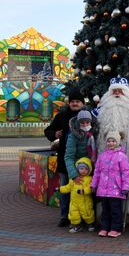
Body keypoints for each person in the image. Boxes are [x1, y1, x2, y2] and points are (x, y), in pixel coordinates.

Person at [44, 87, 85, 227]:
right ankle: (65, 216)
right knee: (65, 188)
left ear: (82, 103)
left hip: (83, 161)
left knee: (83, 188)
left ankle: (85, 216)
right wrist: (55, 134)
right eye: (72, 101)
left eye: (77, 101)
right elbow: (48, 130)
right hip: (64, 159)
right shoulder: (61, 115)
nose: (74, 103)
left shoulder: (86, 115)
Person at [93, 76, 129, 159]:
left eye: (120, 90)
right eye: (114, 90)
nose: (117, 93)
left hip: (126, 151)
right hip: (104, 150)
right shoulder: (101, 110)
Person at [91, 131, 129, 238]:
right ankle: (105, 227)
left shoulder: (121, 156)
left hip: (116, 189)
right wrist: (94, 184)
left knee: (115, 210)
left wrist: (125, 186)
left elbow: (126, 172)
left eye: (113, 141)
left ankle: (115, 228)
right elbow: (97, 171)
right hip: (103, 189)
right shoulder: (102, 156)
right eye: (109, 141)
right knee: (105, 210)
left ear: (118, 142)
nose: (111, 143)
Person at [58, 157, 95, 233]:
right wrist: (60, 189)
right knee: (74, 215)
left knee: (88, 214)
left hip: (85, 202)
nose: (83, 171)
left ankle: (91, 224)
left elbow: (90, 188)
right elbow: (68, 187)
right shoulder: (73, 179)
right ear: (77, 169)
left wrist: (83, 191)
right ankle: (76, 226)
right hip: (74, 202)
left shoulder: (89, 179)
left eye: (86, 169)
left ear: (89, 170)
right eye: (81, 168)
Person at [64, 110, 99, 180]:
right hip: (79, 171)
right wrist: (74, 175)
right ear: (78, 123)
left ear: (91, 122)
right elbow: (69, 157)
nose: (85, 125)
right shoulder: (73, 136)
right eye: (82, 123)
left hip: (94, 171)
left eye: (87, 122)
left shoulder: (95, 134)